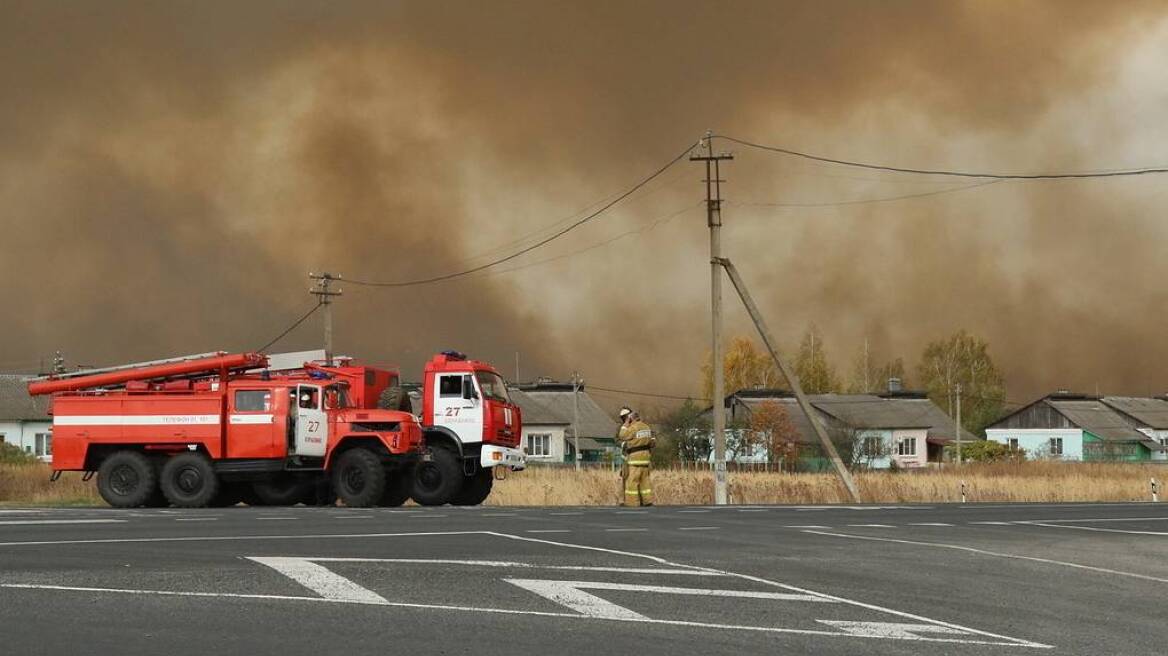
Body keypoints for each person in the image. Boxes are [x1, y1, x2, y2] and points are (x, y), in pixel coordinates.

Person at [618, 407, 655, 506]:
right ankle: (647, 501)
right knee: (645, 481)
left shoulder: (633, 428)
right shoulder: (647, 427)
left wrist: (625, 425)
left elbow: (622, 435)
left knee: (632, 482)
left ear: (630, 418)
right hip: (646, 459)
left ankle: (632, 502)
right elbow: (653, 442)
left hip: (635, 459)